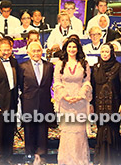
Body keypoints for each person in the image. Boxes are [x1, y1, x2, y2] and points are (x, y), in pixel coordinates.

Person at [53, 37, 92, 165]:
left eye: (74, 47)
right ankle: (66, 161)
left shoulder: (84, 63)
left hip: (80, 102)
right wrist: (65, 96)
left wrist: (81, 95)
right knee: (67, 132)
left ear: (78, 48)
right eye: (69, 47)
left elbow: (87, 82)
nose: (72, 49)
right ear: (65, 49)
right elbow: (57, 82)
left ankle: (79, 161)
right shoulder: (60, 63)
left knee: (79, 133)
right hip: (65, 102)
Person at [90, 44, 121, 165]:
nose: (104, 54)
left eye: (107, 51)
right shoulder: (96, 67)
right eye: (102, 51)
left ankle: (114, 159)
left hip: (114, 104)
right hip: (99, 104)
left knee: (112, 129)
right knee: (101, 129)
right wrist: (91, 104)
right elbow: (93, 87)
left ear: (111, 53)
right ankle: (101, 159)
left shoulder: (118, 67)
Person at [18, 42, 54, 164]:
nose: (36, 53)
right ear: (28, 53)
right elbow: (20, 84)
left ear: (42, 51)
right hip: (29, 101)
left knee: (43, 128)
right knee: (29, 128)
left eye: (38, 51)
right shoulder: (22, 66)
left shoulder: (49, 66)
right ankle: (29, 154)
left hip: (44, 101)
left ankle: (42, 154)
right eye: (33, 51)